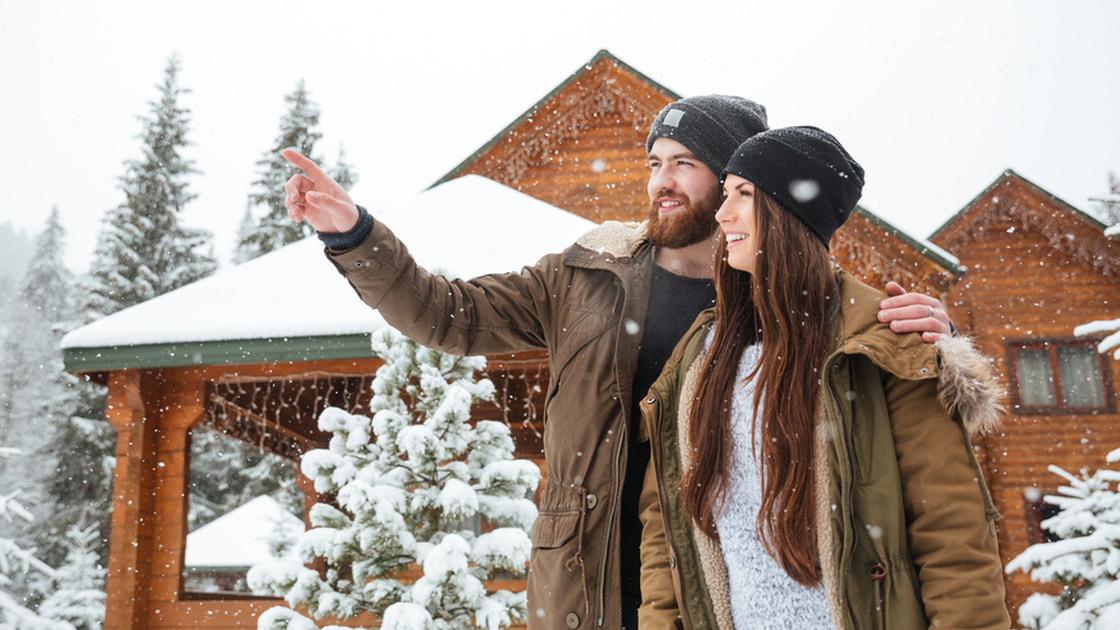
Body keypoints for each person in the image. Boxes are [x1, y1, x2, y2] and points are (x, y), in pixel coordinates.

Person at [282, 96, 954, 630]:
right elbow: (446, 314)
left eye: (683, 163)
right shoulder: (586, 276)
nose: (661, 181)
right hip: (587, 579)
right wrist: (353, 234)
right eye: (654, 162)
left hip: (721, 583)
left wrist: (936, 335)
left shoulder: (775, 293)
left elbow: (873, 370)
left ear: (734, 181)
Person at [637, 126, 1010, 630]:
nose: (723, 215)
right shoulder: (702, 356)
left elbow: (952, 535)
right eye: (724, 195)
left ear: (791, 213)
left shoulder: (881, 346)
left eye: (743, 195)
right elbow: (667, 530)